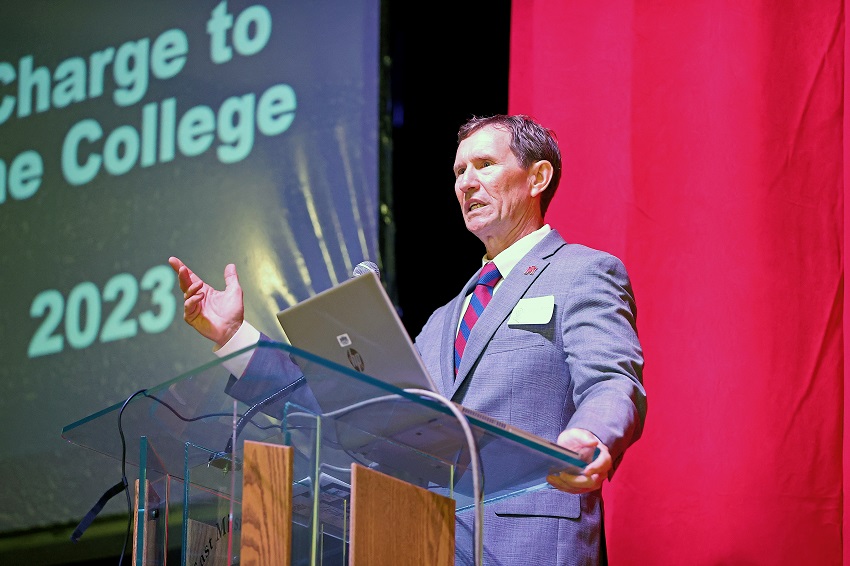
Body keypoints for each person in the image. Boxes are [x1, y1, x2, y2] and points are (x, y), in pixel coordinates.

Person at [169, 114, 646, 566]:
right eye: (459, 171)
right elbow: (349, 408)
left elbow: (612, 379)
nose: (465, 182)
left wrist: (591, 435)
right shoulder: (442, 321)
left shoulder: (581, 272)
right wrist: (235, 338)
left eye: (484, 165)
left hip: (527, 543)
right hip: (420, 541)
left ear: (537, 178)